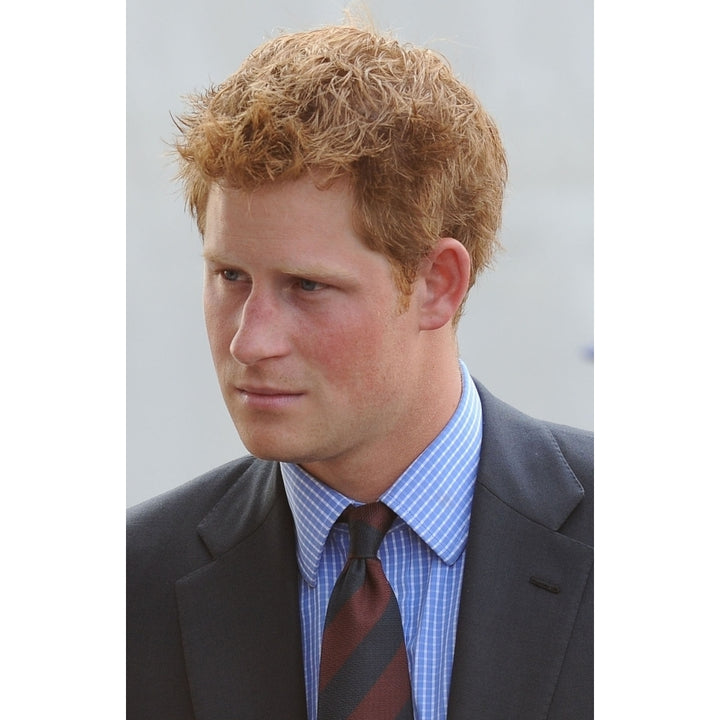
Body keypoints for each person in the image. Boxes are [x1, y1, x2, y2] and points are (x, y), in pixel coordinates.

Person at [127, 22, 593, 720]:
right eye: (230, 276)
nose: (249, 342)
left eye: (306, 287)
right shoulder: (129, 587)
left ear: (438, 283)